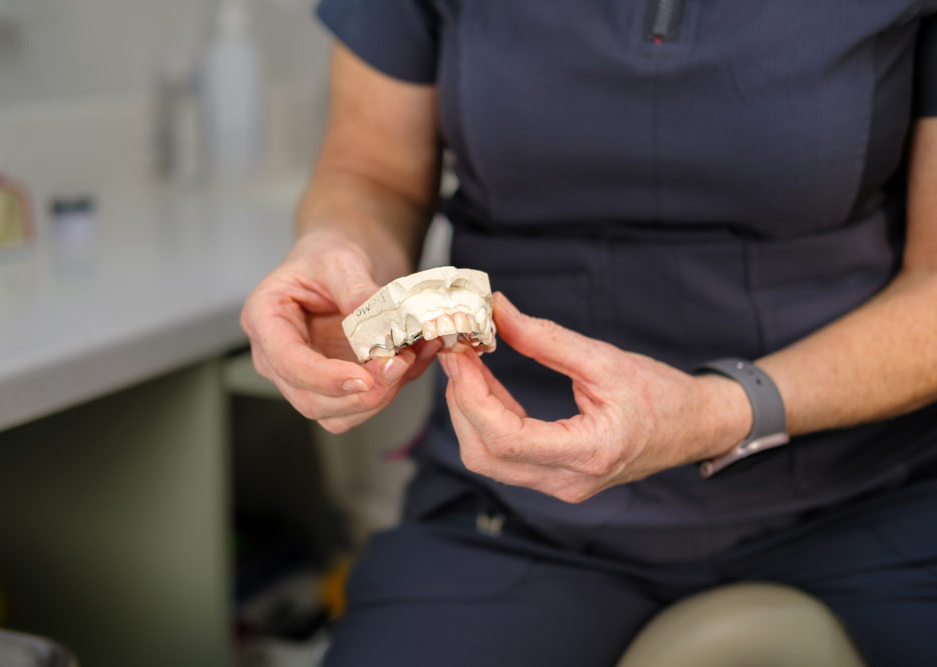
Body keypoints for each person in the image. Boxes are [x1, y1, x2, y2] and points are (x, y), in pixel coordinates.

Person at [241, 2, 937, 665]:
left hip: (865, 491)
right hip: (513, 509)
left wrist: (716, 410)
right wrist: (337, 253)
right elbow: (372, 171)